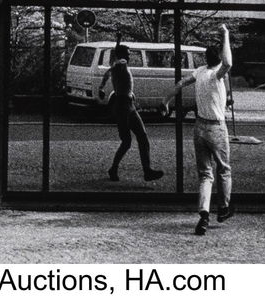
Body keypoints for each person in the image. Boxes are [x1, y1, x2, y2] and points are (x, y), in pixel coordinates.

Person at [169, 25, 234, 235]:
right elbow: (229, 62)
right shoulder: (217, 75)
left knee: (205, 174)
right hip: (216, 127)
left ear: (206, 58)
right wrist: (225, 35)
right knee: (224, 169)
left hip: (199, 127)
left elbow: (180, 83)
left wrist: (166, 99)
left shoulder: (199, 72)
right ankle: (223, 207)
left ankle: (204, 214)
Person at [97, 44, 164, 183]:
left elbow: (108, 73)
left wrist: (102, 87)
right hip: (123, 107)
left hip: (128, 105)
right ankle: (115, 168)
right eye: (127, 53)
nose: (129, 56)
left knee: (139, 138)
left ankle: (146, 170)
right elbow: (115, 64)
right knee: (129, 140)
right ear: (122, 56)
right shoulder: (121, 64)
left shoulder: (118, 66)